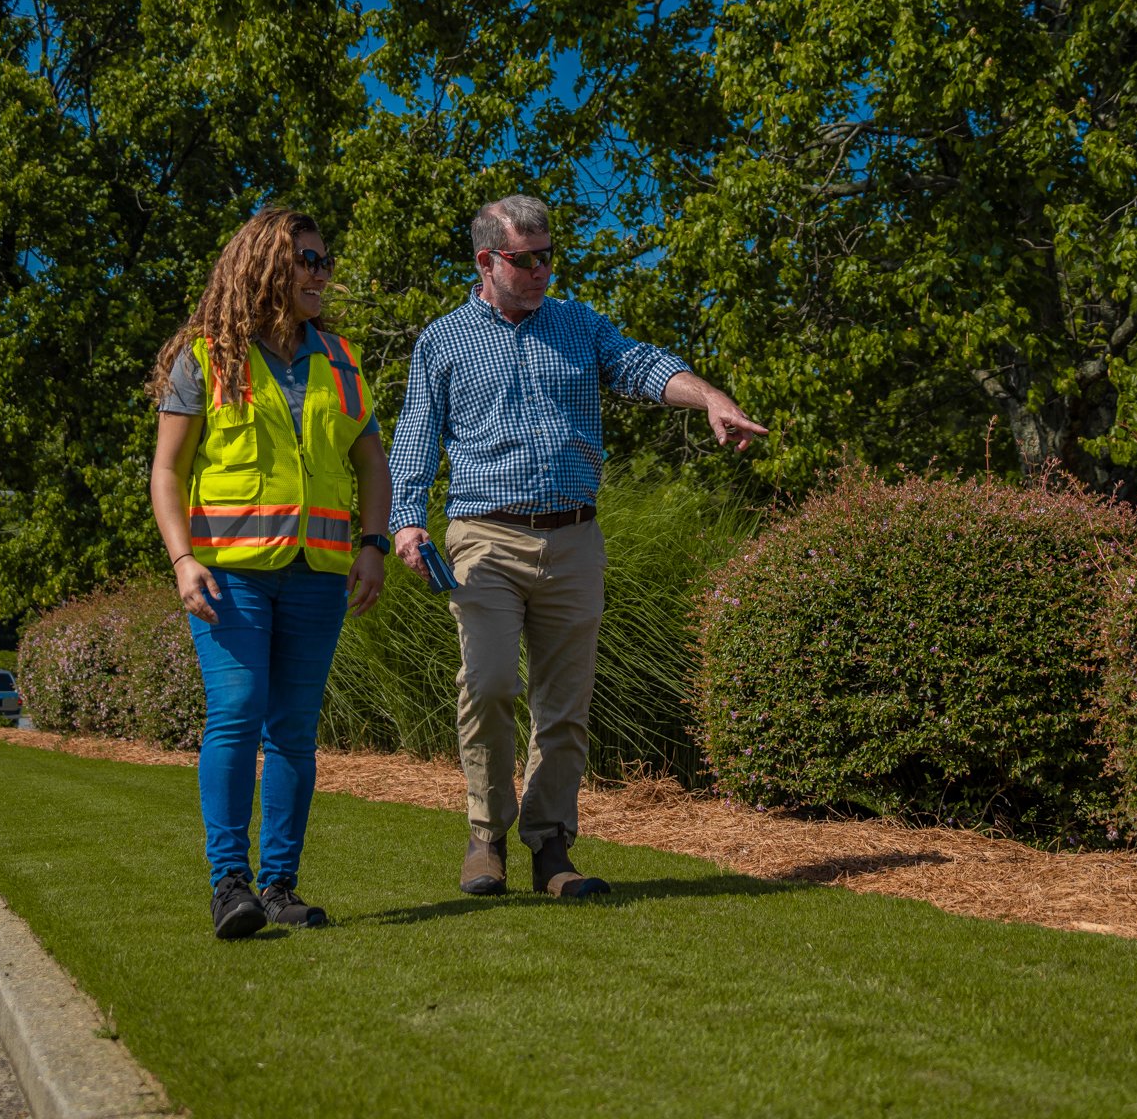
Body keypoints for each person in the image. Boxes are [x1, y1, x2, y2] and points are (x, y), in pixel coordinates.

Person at [388, 194, 766, 899]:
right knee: (490, 683)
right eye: (524, 260)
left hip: (573, 538)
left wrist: (709, 396)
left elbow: (643, 366)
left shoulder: (578, 325)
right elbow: (416, 433)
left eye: (547, 256)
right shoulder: (443, 339)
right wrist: (406, 517)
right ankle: (485, 834)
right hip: (484, 535)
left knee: (563, 705)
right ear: (485, 261)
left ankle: (551, 848)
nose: (540, 271)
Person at [148, 206, 392, 939]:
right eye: (308, 261)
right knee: (238, 711)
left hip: (317, 575)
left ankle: (281, 886)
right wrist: (182, 560)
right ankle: (230, 884)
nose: (323, 274)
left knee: (293, 731)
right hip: (228, 576)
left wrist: (373, 544)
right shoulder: (208, 358)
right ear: (266, 268)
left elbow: (371, 466)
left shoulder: (343, 360)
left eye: (324, 260)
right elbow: (166, 472)